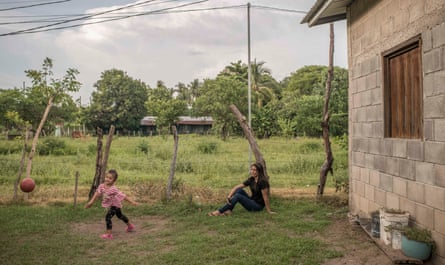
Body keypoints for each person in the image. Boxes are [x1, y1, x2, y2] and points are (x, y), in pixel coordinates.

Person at [85, 169, 139, 239]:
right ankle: (130, 226)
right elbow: (97, 193)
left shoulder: (113, 189)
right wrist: (91, 202)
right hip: (113, 204)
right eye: (106, 177)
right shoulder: (102, 186)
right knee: (120, 216)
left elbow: (123, 196)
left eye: (110, 178)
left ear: (114, 180)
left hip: (115, 205)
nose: (107, 179)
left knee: (108, 217)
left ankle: (109, 234)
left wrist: (132, 202)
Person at [208, 162, 275, 216]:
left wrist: (269, 211)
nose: (252, 171)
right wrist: (229, 196)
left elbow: (265, 197)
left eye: (255, 170)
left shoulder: (263, 182)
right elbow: (237, 187)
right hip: (252, 200)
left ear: (259, 171)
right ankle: (229, 210)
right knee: (239, 190)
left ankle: (219, 211)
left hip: (257, 206)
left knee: (238, 196)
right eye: (251, 169)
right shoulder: (252, 179)